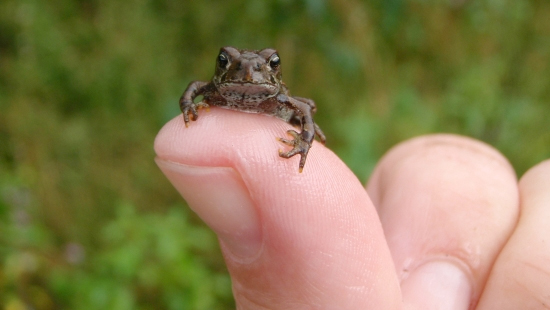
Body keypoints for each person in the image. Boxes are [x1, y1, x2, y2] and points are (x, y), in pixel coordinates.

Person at [154, 108, 549, 310]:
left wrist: (304, 141)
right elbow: (193, 90)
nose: (249, 71)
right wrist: (192, 108)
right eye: (230, 63)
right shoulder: (217, 91)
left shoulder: (277, 97)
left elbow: (304, 109)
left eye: (269, 65)